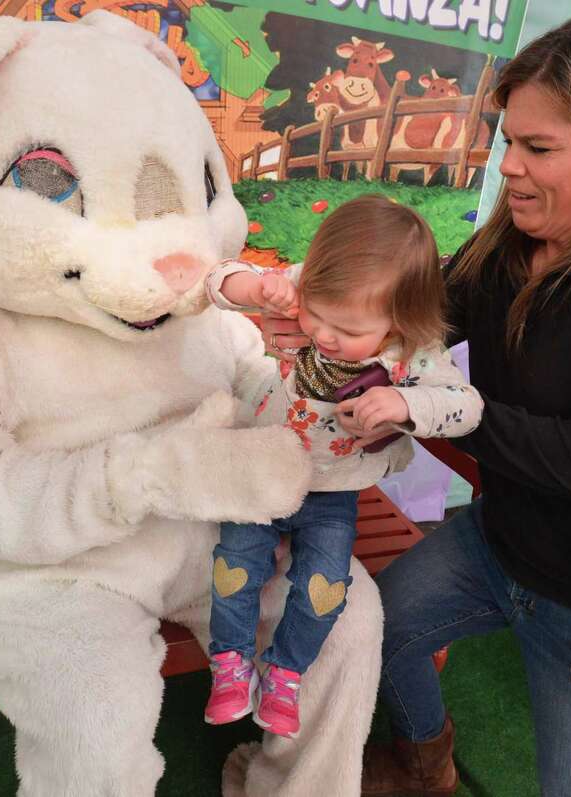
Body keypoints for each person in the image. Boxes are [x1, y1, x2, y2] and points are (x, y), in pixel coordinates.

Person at [258, 12, 571, 796]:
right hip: (495, 545)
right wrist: (318, 325)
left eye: (538, 148)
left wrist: (451, 412)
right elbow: (407, 322)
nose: (508, 166)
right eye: (507, 139)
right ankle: (425, 757)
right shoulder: (508, 244)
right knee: (366, 634)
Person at [203, 194, 483, 739]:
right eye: (318, 316)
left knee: (323, 589)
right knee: (233, 569)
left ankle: (284, 673)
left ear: (400, 320)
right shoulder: (313, 285)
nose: (325, 336)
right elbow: (217, 281)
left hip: (332, 494)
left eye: (348, 331)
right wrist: (258, 289)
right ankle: (230, 665)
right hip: (260, 471)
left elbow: (467, 406)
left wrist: (406, 406)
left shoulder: (415, 348)